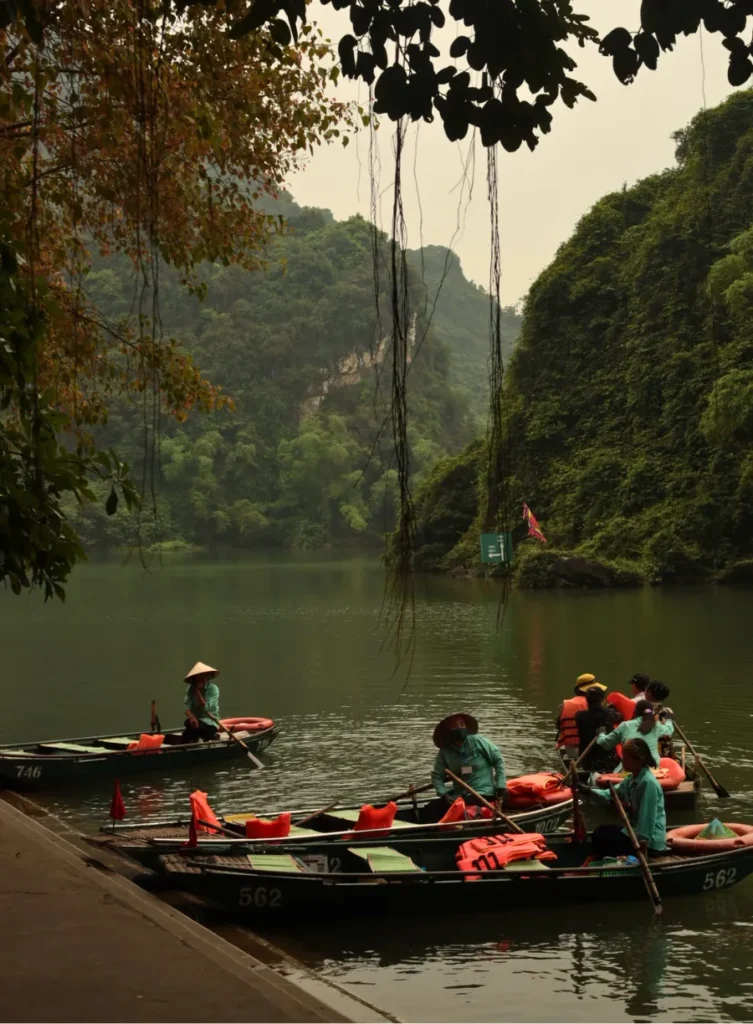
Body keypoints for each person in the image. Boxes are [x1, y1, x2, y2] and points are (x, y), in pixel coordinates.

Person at [588, 738, 667, 859]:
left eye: (625, 758)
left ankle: (593, 863)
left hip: (649, 843)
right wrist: (586, 790)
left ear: (638, 760)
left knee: (602, 836)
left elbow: (646, 824)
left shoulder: (648, 783)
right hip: (634, 832)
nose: (622, 761)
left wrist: (640, 847)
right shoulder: (631, 779)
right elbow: (609, 794)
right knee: (601, 831)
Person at [423, 713, 506, 822]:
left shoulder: (478, 741)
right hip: (459, 795)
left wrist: (500, 786)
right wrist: (444, 793)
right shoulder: (445, 752)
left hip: (483, 792)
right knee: (430, 808)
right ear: (448, 730)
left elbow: (498, 761)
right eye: (455, 726)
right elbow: (437, 776)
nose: (460, 728)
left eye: (462, 725)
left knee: (462, 804)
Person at [595, 699, 674, 773]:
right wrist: (669, 719)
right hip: (653, 768)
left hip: (630, 770)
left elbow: (605, 743)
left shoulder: (625, 726)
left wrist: (601, 733)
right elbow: (669, 730)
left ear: (635, 712)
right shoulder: (655, 725)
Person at [556, 673, 608, 760]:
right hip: (594, 751)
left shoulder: (565, 705)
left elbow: (559, 726)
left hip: (572, 751)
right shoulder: (597, 705)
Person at [575, 686, 620, 773]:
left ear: (586, 700)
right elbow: (619, 716)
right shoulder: (610, 714)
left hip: (587, 761)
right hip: (609, 761)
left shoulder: (579, 716)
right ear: (602, 699)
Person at [182, 661, 221, 744]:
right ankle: (196, 739)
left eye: (205, 675)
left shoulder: (213, 689)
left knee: (190, 730)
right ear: (195, 678)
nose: (203, 678)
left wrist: (197, 692)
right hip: (195, 722)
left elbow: (206, 707)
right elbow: (187, 707)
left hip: (210, 724)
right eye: (200, 676)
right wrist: (192, 717)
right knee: (188, 724)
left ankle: (211, 735)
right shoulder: (190, 689)